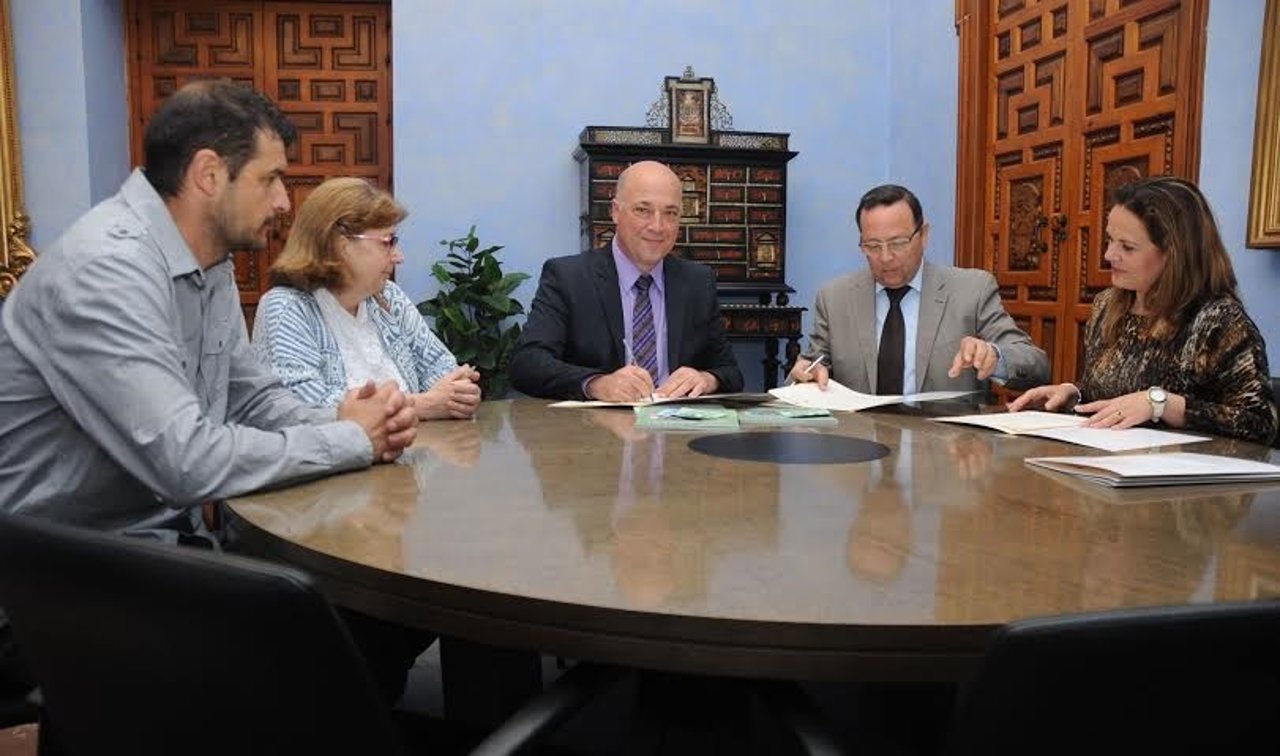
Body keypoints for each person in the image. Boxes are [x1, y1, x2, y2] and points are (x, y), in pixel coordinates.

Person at [0, 80, 421, 703]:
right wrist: (347, 440)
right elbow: (186, 463)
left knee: (384, 617)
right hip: (60, 581)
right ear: (208, 173)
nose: (284, 201)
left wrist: (350, 422)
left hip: (158, 547)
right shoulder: (106, 273)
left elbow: (253, 397)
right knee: (336, 629)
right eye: (270, 178)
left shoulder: (210, 261)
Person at [1009, 176, 1277, 445]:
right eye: (1110, 240)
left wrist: (1161, 405)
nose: (1109, 255)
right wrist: (1073, 394)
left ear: (1174, 254)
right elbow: (1114, 395)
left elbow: (1259, 424)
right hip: (1103, 468)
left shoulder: (1219, 321)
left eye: (1127, 247)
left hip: (1182, 479)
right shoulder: (1106, 306)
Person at [510, 160, 743, 400]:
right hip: (594, 432)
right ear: (615, 212)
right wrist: (596, 384)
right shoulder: (569, 277)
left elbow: (731, 373)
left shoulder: (697, 282)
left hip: (676, 430)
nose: (657, 226)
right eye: (643, 210)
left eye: (670, 213)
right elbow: (527, 364)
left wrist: (706, 379)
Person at [252, 177, 482, 420]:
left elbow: (440, 366)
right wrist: (421, 405)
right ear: (344, 246)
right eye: (388, 242)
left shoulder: (389, 297)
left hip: (413, 451)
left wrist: (459, 392)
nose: (398, 257)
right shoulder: (286, 308)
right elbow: (306, 406)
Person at [788, 184, 1049, 395]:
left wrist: (995, 356)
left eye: (898, 243)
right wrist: (805, 377)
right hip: (861, 449)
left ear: (923, 235)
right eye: (872, 246)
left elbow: (1035, 364)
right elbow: (808, 367)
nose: (886, 257)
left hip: (948, 449)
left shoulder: (972, 290)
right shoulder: (835, 298)